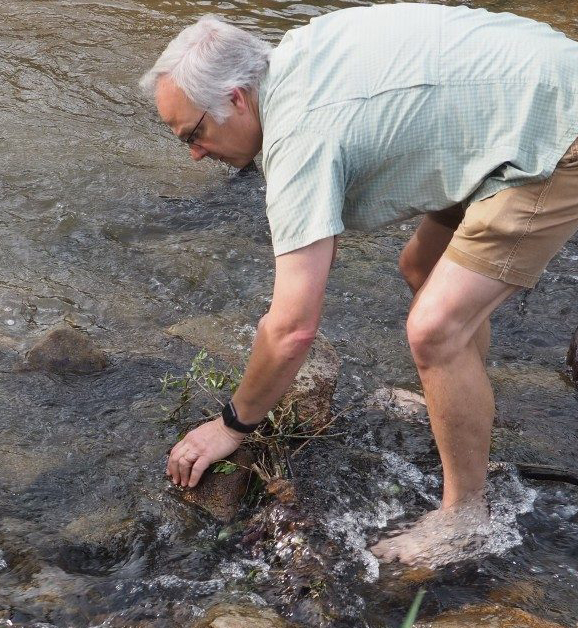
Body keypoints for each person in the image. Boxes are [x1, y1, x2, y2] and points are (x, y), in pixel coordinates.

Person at [141, 4, 578, 566]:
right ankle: (464, 409)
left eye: (194, 133)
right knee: (423, 269)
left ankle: (466, 515)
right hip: (518, 101)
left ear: (236, 98)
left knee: (435, 328)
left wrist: (232, 425)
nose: (197, 153)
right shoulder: (295, 56)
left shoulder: (299, 137)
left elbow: (294, 328)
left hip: (558, 131)